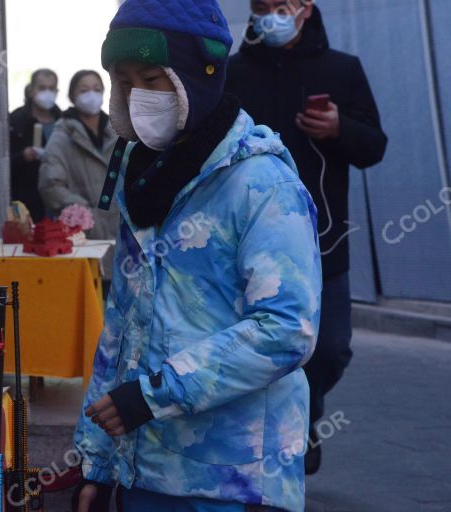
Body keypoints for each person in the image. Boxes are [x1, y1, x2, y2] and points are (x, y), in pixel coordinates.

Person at [73, 1, 322, 511]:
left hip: (233, 478)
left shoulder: (262, 184)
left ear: (196, 79)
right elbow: (121, 325)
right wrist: (95, 462)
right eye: (123, 81)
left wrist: (153, 395)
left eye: (152, 78)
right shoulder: (145, 181)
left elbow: (286, 328)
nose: (136, 95)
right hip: (143, 475)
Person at [225, 0, 388, 475]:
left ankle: (307, 412)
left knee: (331, 347)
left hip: (324, 241)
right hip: (247, 240)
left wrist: (341, 128)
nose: (271, 15)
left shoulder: (342, 69)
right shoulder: (233, 74)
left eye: (281, 5)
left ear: (305, 7)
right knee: (254, 344)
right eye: (261, 7)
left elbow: (374, 145)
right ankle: (272, 442)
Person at [38, 70, 120, 241]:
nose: (91, 95)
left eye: (97, 89)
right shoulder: (62, 136)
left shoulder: (117, 131)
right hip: (88, 234)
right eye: (84, 90)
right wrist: (83, 211)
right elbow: (51, 185)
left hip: (123, 231)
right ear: (72, 96)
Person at [9, 69, 62, 222]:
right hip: (28, 197)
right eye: (42, 88)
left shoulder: (63, 121)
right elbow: (4, 162)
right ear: (31, 90)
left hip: (58, 195)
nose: (47, 93)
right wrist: (23, 156)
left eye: (51, 88)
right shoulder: (17, 120)